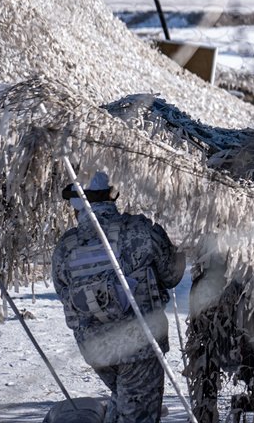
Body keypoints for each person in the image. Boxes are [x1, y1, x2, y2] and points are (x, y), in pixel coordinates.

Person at [52, 171, 185, 423]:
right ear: (111, 196)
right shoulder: (140, 230)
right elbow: (171, 275)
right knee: (137, 412)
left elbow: (64, 293)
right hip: (139, 347)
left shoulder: (66, 246)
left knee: (124, 402)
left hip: (96, 350)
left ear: (78, 205)